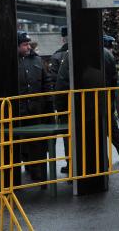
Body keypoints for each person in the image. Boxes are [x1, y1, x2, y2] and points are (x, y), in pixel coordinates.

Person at [17, 31, 53, 181]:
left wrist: (49, 103)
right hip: (18, 111)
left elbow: (46, 82)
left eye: (28, 44)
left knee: (37, 142)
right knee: (21, 142)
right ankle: (26, 166)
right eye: (24, 44)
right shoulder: (11, 62)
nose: (28, 47)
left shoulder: (37, 61)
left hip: (36, 110)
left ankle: (37, 170)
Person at [49, 26, 70, 173]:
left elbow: (55, 80)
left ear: (63, 38)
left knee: (67, 135)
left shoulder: (57, 56)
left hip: (64, 102)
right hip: (85, 103)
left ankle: (70, 163)